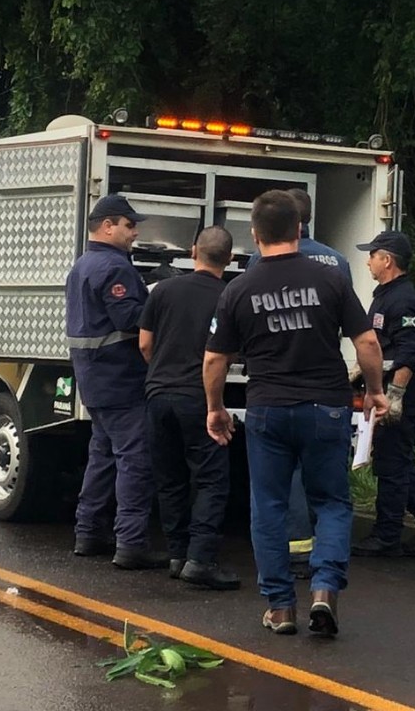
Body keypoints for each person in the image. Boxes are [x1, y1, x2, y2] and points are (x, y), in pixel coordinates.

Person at [204, 190, 388, 637]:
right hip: (325, 407)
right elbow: (366, 342)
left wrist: (214, 409)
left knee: (267, 506)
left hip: (267, 409)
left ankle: (281, 608)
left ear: (254, 234)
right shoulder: (330, 278)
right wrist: (377, 391)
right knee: (332, 502)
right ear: (300, 228)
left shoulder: (238, 288)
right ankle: (324, 591)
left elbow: (214, 359)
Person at [249, 188, 353, 577]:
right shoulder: (336, 263)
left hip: (272, 390)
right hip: (325, 391)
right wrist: (376, 390)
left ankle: (286, 574)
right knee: (330, 494)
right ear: (302, 221)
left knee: (275, 490)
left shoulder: (256, 266)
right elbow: (358, 333)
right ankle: (326, 575)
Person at [65, 194, 166, 570]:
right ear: (107, 226)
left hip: (94, 379)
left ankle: (88, 533)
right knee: (134, 461)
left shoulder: (83, 264)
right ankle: (131, 544)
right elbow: (128, 319)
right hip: (121, 378)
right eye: (129, 225)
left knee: (102, 457)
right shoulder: (114, 267)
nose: (134, 232)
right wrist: (159, 298)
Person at [138, 225, 239, 591]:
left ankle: (178, 554)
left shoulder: (163, 290)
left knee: (170, 479)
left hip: (158, 395)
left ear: (193, 251)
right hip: (199, 398)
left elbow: (145, 344)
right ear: (229, 259)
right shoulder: (230, 295)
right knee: (211, 479)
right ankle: (201, 558)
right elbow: (230, 351)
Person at [350, 231, 415, 557]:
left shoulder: (404, 300)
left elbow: (409, 351)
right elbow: (381, 347)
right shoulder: (385, 296)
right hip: (387, 388)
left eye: (373, 254)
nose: (368, 261)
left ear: (387, 260)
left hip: (403, 392)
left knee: (392, 464)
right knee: (397, 461)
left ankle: (386, 536)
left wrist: (395, 394)